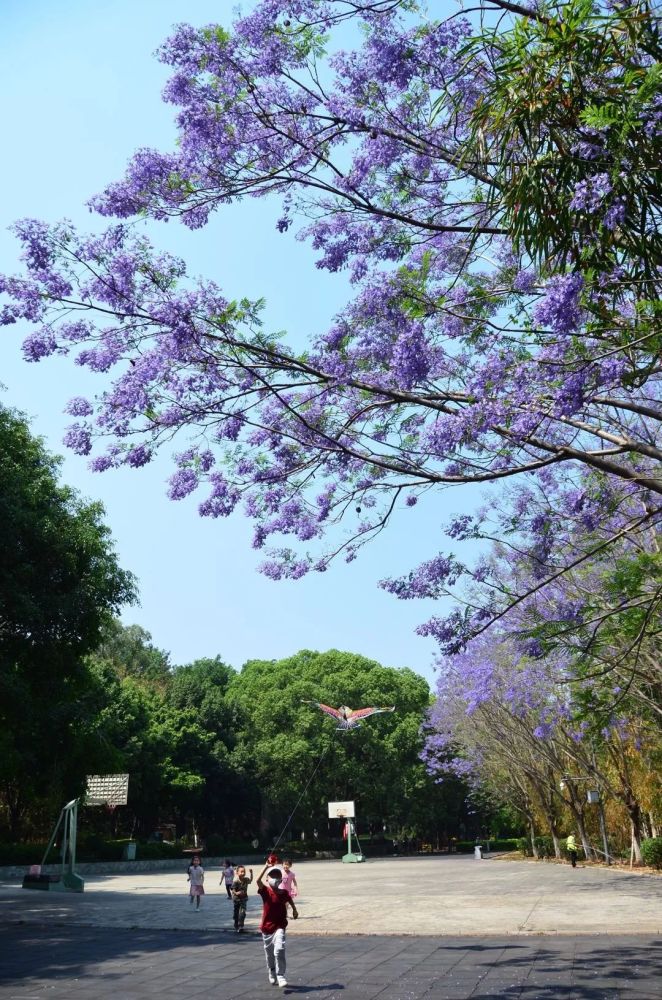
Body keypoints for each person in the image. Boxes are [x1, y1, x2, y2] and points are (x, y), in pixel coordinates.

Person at [257, 860, 298, 988]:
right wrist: (265, 867)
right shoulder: (266, 891)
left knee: (279, 949)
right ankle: (272, 970)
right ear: (267, 879)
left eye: (277, 876)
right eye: (272, 876)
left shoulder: (284, 893)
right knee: (269, 954)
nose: (275, 878)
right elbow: (257, 881)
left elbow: (289, 899)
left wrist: (295, 910)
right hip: (267, 928)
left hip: (280, 925)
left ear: (281, 879)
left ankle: (281, 975)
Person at [231, 864, 254, 933]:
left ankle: (241, 926)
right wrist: (236, 893)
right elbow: (232, 889)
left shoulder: (246, 879)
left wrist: (251, 873)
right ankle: (236, 922)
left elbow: (251, 880)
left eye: (244, 872)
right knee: (236, 913)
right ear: (237, 872)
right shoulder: (236, 881)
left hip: (243, 899)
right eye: (241, 872)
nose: (243, 873)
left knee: (242, 913)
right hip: (236, 899)